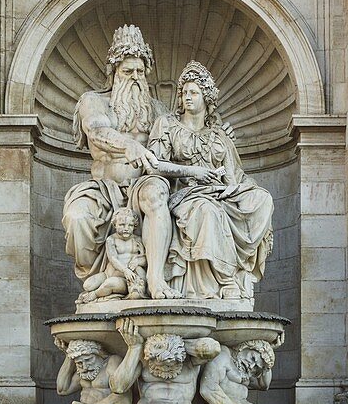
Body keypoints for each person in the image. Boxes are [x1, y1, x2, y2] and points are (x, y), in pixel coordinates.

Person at [62, 25, 178, 299]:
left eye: (140, 72)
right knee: (77, 218)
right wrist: (129, 144)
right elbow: (96, 131)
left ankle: (155, 278)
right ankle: (96, 278)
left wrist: (216, 131)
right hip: (104, 187)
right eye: (128, 71)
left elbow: (181, 142)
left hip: (143, 185)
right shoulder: (94, 101)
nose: (135, 78)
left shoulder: (159, 111)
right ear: (113, 72)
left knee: (157, 192)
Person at [143, 61, 274, 300]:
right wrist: (194, 172)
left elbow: (234, 175)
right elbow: (154, 165)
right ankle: (225, 281)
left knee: (262, 199)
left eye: (194, 92)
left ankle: (239, 273)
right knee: (208, 210)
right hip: (186, 195)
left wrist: (233, 191)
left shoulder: (219, 136)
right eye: (184, 93)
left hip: (219, 192)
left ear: (206, 98)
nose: (187, 98)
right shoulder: (167, 125)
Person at [109, 320, 220, 404]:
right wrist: (135, 348)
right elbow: (118, 387)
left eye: (170, 364)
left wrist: (179, 345)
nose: (164, 369)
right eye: (158, 363)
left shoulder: (190, 361)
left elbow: (213, 349)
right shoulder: (144, 361)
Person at [77, 207, 147, 303]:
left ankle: (94, 294)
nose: (126, 229)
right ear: (115, 225)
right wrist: (125, 270)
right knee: (88, 285)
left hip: (126, 280)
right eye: (122, 225)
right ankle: (101, 290)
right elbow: (113, 258)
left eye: (130, 225)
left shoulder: (137, 240)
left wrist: (138, 261)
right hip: (108, 274)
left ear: (134, 226)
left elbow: (146, 259)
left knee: (109, 284)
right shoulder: (111, 239)